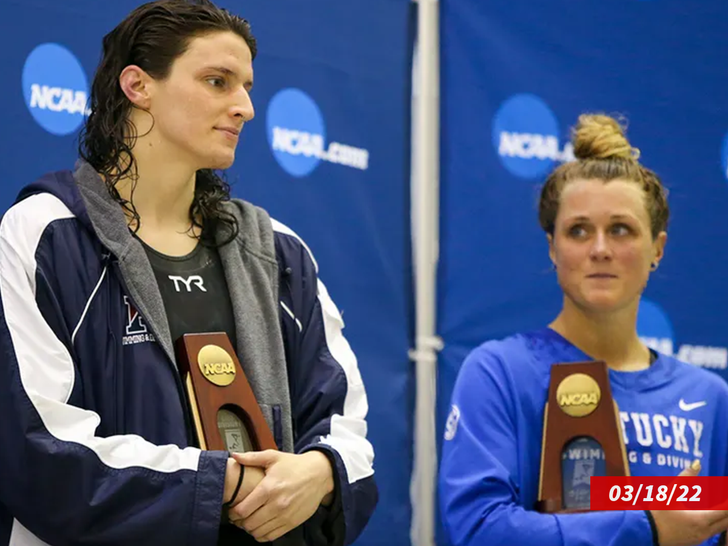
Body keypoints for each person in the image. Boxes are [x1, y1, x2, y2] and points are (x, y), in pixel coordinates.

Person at [0, 1, 377, 545]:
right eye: (217, 81)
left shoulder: (279, 252)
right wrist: (220, 482)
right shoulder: (47, 234)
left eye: (246, 86)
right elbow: (35, 441)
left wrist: (320, 472)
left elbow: (345, 425)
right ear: (138, 86)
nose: (244, 106)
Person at [439, 114, 728, 546]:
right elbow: (478, 530)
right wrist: (646, 528)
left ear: (658, 249)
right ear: (553, 248)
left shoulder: (710, 396)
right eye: (578, 230)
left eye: (621, 229)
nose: (599, 249)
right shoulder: (500, 372)